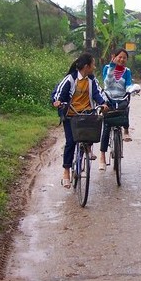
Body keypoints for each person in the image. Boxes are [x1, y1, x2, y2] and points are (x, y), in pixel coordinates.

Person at [51, 52, 108, 188]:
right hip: (71, 115)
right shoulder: (70, 79)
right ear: (86, 66)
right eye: (93, 65)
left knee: (86, 137)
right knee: (71, 142)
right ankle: (66, 171)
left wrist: (103, 103)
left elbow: (98, 93)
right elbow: (58, 93)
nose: (94, 67)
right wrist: (57, 101)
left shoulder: (92, 80)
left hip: (86, 114)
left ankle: (85, 152)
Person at [99, 48, 133, 171]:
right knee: (106, 127)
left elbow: (128, 84)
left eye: (124, 58)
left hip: (121, 98)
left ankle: (126, 130)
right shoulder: (107, 68)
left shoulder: (127, 71)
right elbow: (107, 82)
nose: (122, 59)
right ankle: (102, 156)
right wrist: (112, 67)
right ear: (115, 57)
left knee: (125, 107)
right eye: (120, 57)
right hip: (109, 98)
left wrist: (132, 89)